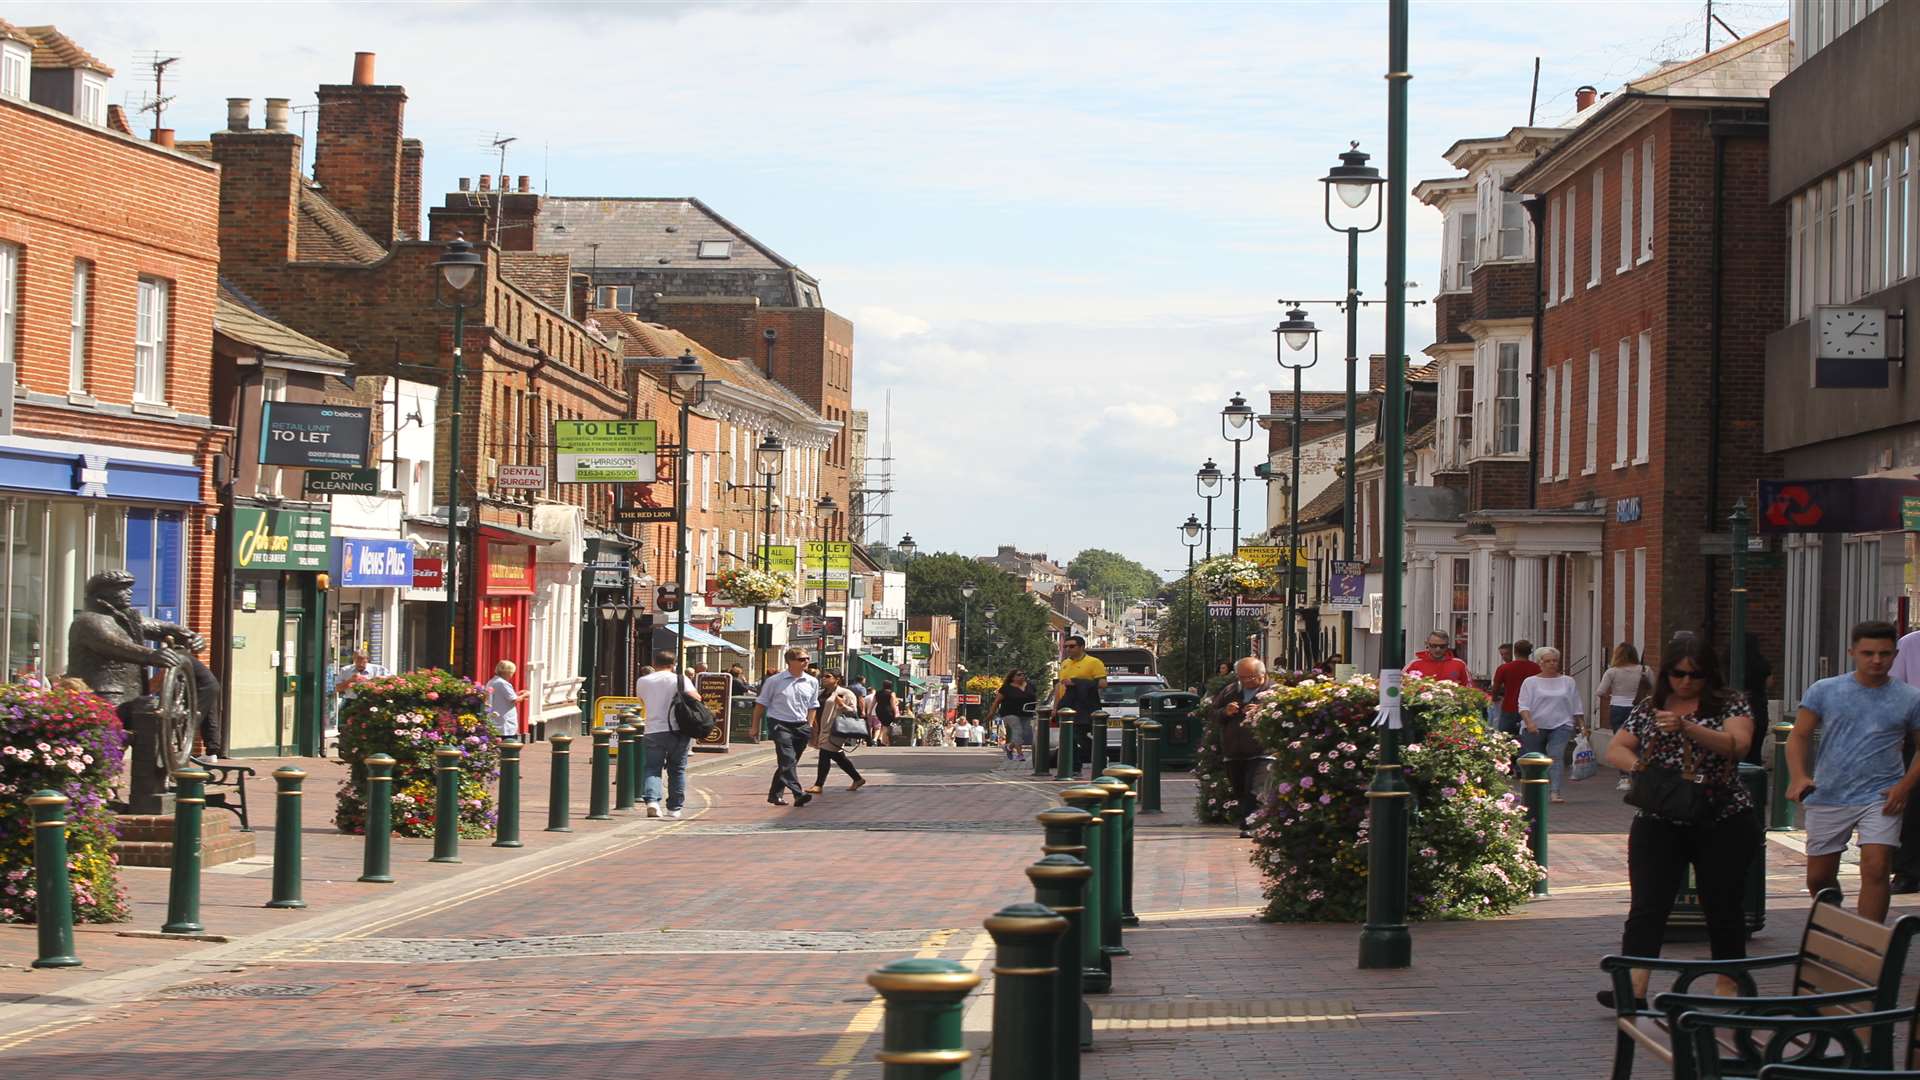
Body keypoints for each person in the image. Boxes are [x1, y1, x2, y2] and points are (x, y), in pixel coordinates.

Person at [1599, 633, 1759, 1009]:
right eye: (1678, 674)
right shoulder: (1649, 707)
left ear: (1709, 675)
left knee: (1723, 905)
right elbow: (1615, 748)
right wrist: (1645, 770)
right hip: (1660, 818)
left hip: (1722, 817)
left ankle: (1727, 986)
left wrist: (1689, 728)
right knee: (1647, 906)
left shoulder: (1730, 703)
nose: (1686, 682)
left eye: (1695, 675)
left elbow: (1738, 745)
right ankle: (1633, 990)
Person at [1787, 620, 1920, 923]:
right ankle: (1831, 930)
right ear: (1852, 652)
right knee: (1819, 878)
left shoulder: (1910, 698)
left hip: (1881, 795)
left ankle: (1867, 946)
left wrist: (1904, 786)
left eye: (1884, 654)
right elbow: (1799, 735)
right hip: (1830, 793)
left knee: (1876, 867)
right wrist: (1798, 776)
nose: (1876, 660)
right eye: (1868, 653)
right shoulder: (1825, 690)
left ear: (1895, 654)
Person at [1207, 657, 1276, 839]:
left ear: (1262, 674)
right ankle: (1252, 822)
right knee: (1240, 789)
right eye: (1242, 677)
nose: (1246, 681)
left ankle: (1254, 825)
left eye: (1251, 677)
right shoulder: (1230, 690)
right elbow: (1212, 713)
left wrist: (1263, 710)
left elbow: (1285, 716)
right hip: (1234, 751)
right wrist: (1225, 711)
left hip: (1263, 750)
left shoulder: (1274, 691)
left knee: (1255, 789)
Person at [634, 649, 698, 818]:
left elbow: (642, 701)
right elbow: (696, 699)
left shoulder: (643, 681)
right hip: (678, 730)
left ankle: (653, 801)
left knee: (652, 768)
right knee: (677, 769)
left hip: (653, 730)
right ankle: (674, 808)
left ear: (654, 664)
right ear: (673, 664)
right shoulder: (680, 679)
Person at [1517, 647, 1584, 803]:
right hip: (1535, 726)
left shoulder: (1568, 681)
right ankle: (1535, 791)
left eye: (1554, 661)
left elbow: (1576, 704)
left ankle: (1555, 792)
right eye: (1548, 661)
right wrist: (1529, 722)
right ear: (1540, 663)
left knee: (1556, 756)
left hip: (1562, 724)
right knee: (1535, 760)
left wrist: (1582, 725)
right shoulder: (1530, 682)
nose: (1552, 664)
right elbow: (1523, 705)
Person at [753, 648, 818, 807]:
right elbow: (761, 704)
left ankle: (775, 795)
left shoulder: (812, 681)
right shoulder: (774, 681)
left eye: (807, 658)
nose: (806, 661)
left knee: (789, 762)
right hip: (779, 724)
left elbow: (813, 706)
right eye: (802, 659)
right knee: (788, 759)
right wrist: (754, 726)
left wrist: (809, 725)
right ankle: (798, 793)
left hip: (801, 725)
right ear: (790, 662)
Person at [1595, 643, 1653, 791]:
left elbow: (1600, 692)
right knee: (1641, 742)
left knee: (1621, 744)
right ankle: (1641, 775)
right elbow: (1655, 688)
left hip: (1619, 708)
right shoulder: (1645, 670)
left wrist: (1611, 697)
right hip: (1640, 708)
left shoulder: (1612, 672)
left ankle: (1624, 778)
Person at [1891, 628, 1920, 893]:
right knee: (1913, 805)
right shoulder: (1910, 645)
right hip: (1916, 733)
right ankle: (1908, 872)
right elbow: (1895, 691)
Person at [807, 670, 866, 794]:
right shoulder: (822, 693)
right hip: (823, 729)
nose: (824, 679)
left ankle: (818, 785)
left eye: (828, 676)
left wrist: (842, 705)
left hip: (836, 729)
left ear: (837, 679)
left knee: (825, 754)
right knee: (837, 756)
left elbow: (854, 712)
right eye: (823, 677)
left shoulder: (845, 693)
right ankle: (857, 778)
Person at [1490, 639, 1542, 739]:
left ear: (1514, 652)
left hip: (1509, 706)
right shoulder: (1537, 668)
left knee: (1505, 738)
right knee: (1529, 739)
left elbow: (1495, 687)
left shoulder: (1504, 668)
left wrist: (1494, 698)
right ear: (1530, 652)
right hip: (1530, 709)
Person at [990, 670, 1037, 761]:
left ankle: (1009, 747)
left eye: (1023, 674)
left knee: (1024, 733)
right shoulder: (1006, 688)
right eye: (1019, 675)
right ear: (1012, 677)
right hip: (1009, 713)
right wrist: (991, 713)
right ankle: (1020, 754)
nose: (1022, 676)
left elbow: (1034, 697)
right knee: (1017, 731)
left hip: (1026, 712)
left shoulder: (1030, 685)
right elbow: (996, 701)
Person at [1405, 630, 1472, 685]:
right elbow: (1401, 685)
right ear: (1427, 644)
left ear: (1447, 646)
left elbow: (1470, 689)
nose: (1438, 649)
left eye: (1442, 646)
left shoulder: (1459, 664)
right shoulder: (1414, 664)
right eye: (1434, 646)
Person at [190, 656, 224, 759]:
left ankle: (183, 750)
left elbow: (159, 680)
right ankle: (212, 754)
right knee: (209, 717)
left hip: (203, 687)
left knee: (191, 717)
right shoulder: (186, 656)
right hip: (212, 684)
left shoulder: (175, 657)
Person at [485, 660, 524, 739]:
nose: (512, 675)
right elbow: (514, 700)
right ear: (507, 672)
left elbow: (504, 696)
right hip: (504, 721)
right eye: (512, 672)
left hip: (494, 718)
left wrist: (518, 694)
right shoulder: (503, 683)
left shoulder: (491, 681)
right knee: (507, 744)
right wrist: (525, 695)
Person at [874, 680, 899, 745]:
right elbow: (892, 704)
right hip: (888, 710)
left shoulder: (878, 692)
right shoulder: (891, 693)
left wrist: (869, 711)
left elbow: (873, 702)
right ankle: (883, 741)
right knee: (886, 726)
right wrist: (895, 713)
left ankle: (880, 738)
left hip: (879, 710)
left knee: (883, 724)